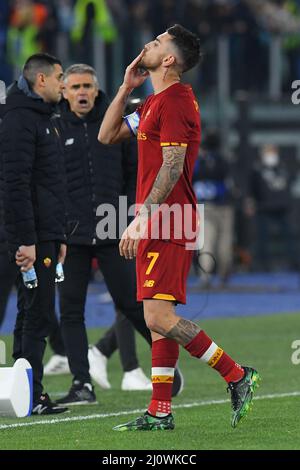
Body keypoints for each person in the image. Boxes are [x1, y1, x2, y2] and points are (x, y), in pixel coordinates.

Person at [99, 24, 260, 431]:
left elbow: (172, 167)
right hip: (160, 218)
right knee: (159, 317)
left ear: (169, 59)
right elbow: (106, 135)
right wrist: (124, 87)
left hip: (169, 219)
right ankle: (159, 412)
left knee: (157, 317)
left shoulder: (176, 102)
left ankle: (237, 374)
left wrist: (140, 219)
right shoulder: (153, 103)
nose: (146, 45)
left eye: (156, 44)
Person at [55, 64, 184, 405]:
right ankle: (82, 383)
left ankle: (165, 368)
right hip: (72, 235)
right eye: (75, 87)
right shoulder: (54, 127)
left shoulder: (116, 123)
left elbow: (135, 174)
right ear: (64, 92)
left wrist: (132, 217)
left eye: (87, 86)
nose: (82, 92)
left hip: (113, 229)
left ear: (96, 90)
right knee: (70, 310)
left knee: (133, 304)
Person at [0, 53, 68, 415]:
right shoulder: (20, 119)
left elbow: (49, 184)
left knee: (34, 313)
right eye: (59, 77)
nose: (63, 84)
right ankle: (31, 393)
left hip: (44, 234)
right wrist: (25, 240)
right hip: (29, 235)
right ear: (40, 80)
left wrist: (58, 238)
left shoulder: (43, 118)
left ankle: (24, 391)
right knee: (36, 314)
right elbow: (15, 184)